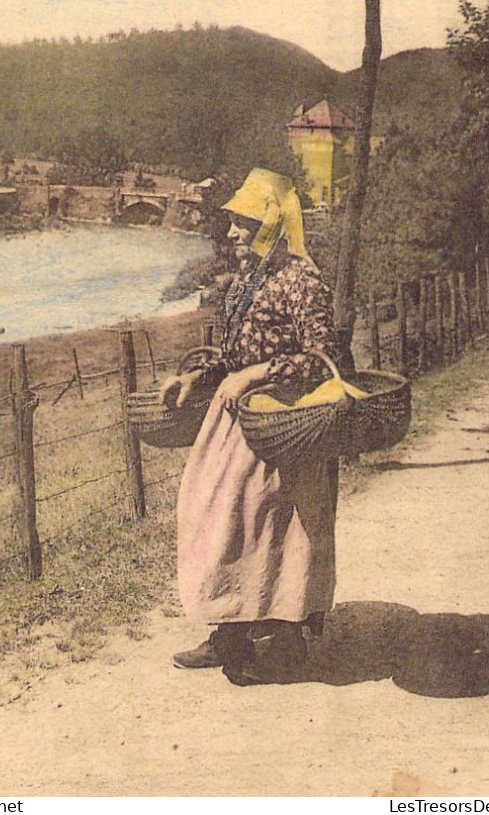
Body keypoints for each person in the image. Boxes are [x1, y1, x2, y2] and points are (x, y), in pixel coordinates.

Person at [160, 168, 342, 685]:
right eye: (234, 223)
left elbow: (324, 358)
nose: (233, 233)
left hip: (286, 425)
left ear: (274, 224)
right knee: (220, 519)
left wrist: (258, 374)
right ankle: (230, 631)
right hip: (239, 421)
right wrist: (199, 375)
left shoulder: (302, 281)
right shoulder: (247, 282)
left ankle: (285, 638)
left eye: (245, 223)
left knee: (275, 530)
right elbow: (234, 354)